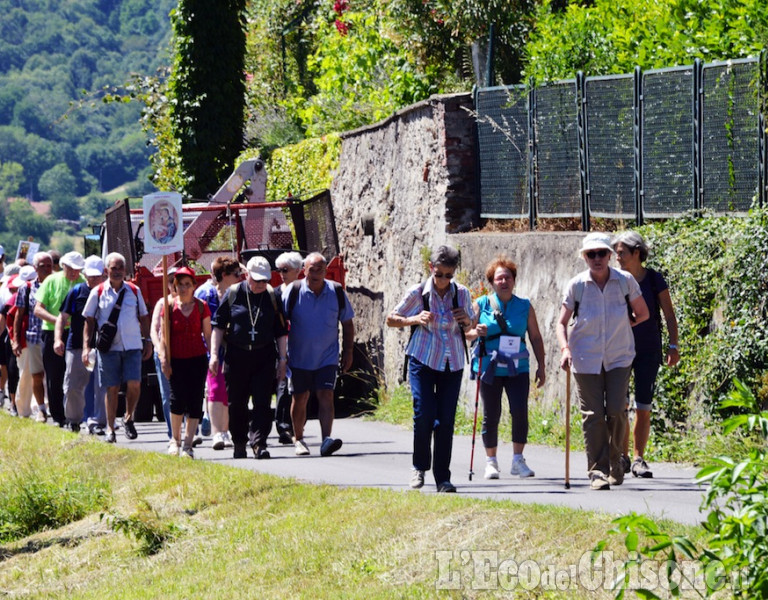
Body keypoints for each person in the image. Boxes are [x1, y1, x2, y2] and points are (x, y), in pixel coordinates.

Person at [556, 233, 649, 490]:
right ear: (585, 257)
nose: (596, 259)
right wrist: (565, 349)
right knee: (593, 415)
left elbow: (643, 313)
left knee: (618, 411)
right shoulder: (577, 286)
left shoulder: (624, 282)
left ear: (610, 255)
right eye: (591, 254)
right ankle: (597, 471)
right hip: (585, 358)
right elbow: (561, 323)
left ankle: (616, 460)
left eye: (601, 253)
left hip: (619, 356)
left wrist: (623, 324)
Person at [386, 245, 473, 493]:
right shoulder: (418, 293)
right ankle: (419, 467)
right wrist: (414, 319)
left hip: (452, 361)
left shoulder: (462, 294)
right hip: (423, 359)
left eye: (449, 275)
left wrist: (466, 320)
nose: (444, 280)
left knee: (445, 420)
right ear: (430, 268)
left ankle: (443, 478)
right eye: (439, 274)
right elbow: (392, 319)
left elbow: (470, 328)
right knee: (424, 413)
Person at [466, 256, 546, 480]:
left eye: (507, 277)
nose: (504, 282)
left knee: (520, 411)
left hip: (517, 366)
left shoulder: (525, 306)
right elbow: (466, 333)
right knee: (491, 413)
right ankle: (491, 462)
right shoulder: (480, 304)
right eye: (499, 278)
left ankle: (518, 460)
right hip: (489, 365)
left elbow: (536, 337)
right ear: (492, 282)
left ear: (514, 280)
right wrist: (477, 332)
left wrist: (542, 366)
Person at [613, 231, 680, 479]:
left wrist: (673, 345)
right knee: (620, 405)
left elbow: (669, 316)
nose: (617, 257)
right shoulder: (614, 280)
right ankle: (622, 455)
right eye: (616, 253)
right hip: (619, 348)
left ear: (637, 253)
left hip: (648, 349)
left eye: (621, 253)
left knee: (643, 405)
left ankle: (638, 458)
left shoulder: (654, 279)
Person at [209, 256, 288, 459]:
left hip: (264, 355)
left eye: (265, 280)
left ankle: (259, 443)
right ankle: (240, 442)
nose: (261, 284)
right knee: (237, 402)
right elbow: (217, 326)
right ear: (247, 276)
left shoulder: (271, 296)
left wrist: (282, 359)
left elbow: (280, 330)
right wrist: (214, 355)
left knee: (262, 401)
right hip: (237, 356)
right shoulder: (233, 293)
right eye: (257, 280)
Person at [284, 252, 354, 457]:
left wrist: (348, 351)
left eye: (320, 270)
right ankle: (299, 439)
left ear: (325, 271)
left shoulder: (336, 291)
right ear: (303, 270)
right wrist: (281, 355)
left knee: (326, 395)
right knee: (300, 397)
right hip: (299, 356)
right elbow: (280, 321)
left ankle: (326, 440)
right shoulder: (294, 290)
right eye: (311, 270)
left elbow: (348, 324)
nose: (315, 274)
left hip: (328, 356)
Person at [82, 252, 152, 444]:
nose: (118, 272)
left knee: (134, 384)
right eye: (114, 268)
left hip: (133, 345)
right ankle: (110, 429)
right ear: (106, 271)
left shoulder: (134, 291)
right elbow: (89, 320)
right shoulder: (98, 292)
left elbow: (144, 316)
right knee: (111, 387)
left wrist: (147, 340)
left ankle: (129, 417)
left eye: (121, 268)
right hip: (109, 348)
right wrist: (86, 347)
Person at [157, 267, 211, 458]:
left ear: (194, 286)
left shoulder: (201, 306)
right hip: (176, 360)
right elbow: (164, 336)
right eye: (180, 284)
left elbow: (208, 335)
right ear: (174, 286)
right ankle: (175, 440)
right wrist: (164, 359)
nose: (184, 288)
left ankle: (188, 444)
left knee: (195, 400)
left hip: (197, 359)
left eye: (188, 284)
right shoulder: (169, 307)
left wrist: (214, 358)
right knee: (176, 399)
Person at [194, 256, 242, 450]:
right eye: (236, 274)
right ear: (224, 275)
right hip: (209, 349)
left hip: (233, 348)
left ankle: (225, 429)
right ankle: (217, 433)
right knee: (214, 389)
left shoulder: (237, 293)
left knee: (227, 391)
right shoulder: (204, 294)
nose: (240, 277)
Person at [55, 255, 107, 434]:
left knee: (101, 387)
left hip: (102, 347)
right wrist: (58, 339)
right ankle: (74, 420)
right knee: (72, 386)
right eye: (90, 276)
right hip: (76, 345)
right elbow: (62, 317)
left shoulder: (108, 292)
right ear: (85, 274)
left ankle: (98, 421)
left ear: (103, 275)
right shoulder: (77, 291)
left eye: (97, 276)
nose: (92, 280)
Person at [34, 251, 85, 428]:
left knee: (74, 375)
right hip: (51, 333)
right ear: (63, 266)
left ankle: (75, 414)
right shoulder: (51, 281)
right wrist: (58, 321)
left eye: (77, 269)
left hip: (76, 333)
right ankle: (58, 416)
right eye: (70, 268)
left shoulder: (84, 282)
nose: (74, 273)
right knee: (54, 376)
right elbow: (37, 309)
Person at [12, 253, 53, 421]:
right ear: (35, 268)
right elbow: (18, 316)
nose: (46, 269)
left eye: (49, 265)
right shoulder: (27, 288)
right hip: (34, 337)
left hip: (53, 336)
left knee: (53, 375)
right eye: (42, 266)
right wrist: (16, 340)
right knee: (37, 375)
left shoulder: (57, 284)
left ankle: (54, 407)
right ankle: (41, 409)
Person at [273, 251, 303, 444]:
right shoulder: (274, 293)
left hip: (300, 342)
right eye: (279, 270)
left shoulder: (303, 291)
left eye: (286, 270)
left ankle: (297, 426)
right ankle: (283, 427)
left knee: (300, 388)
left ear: (298, 271)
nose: (282, 273)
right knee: (283, 385)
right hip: (281, 343)